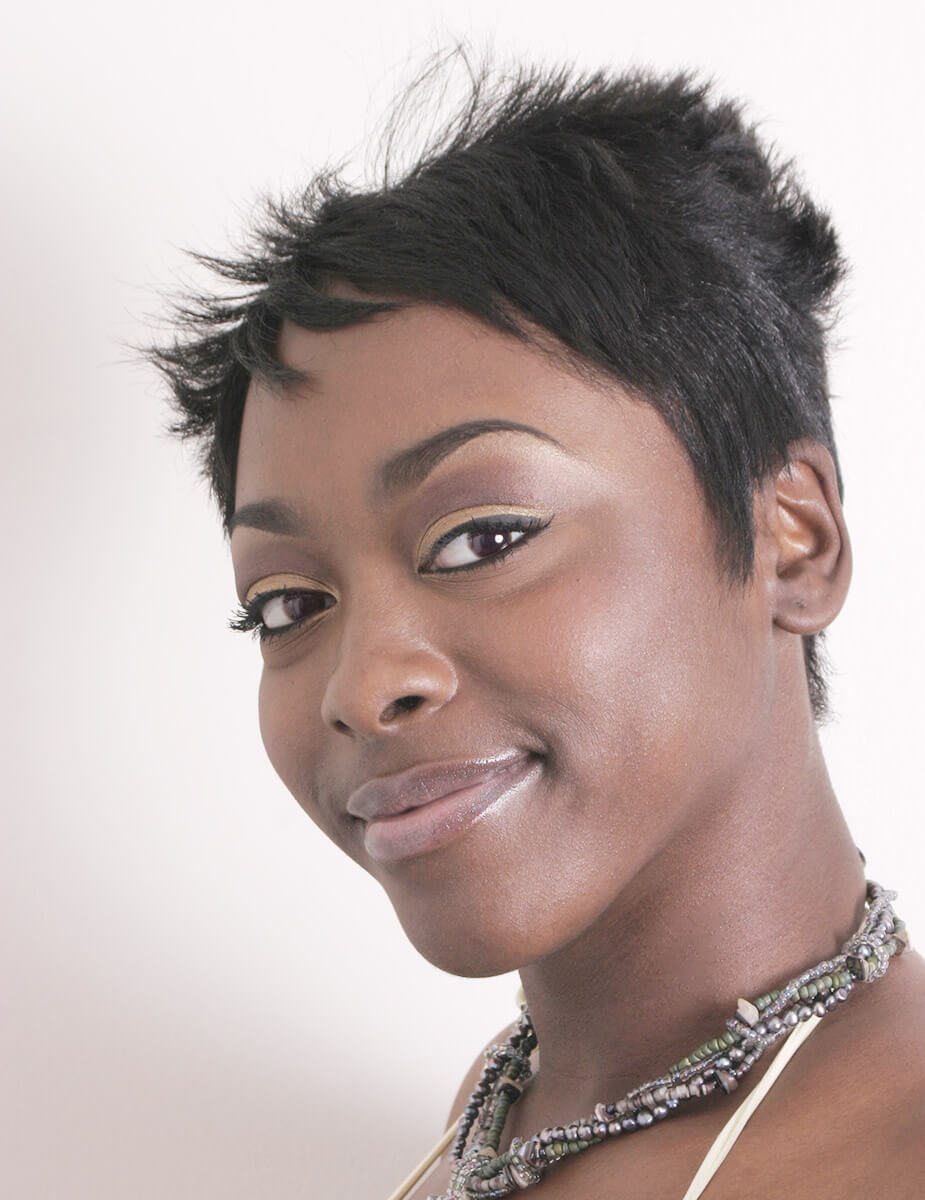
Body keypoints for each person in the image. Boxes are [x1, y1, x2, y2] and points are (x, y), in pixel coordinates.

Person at [149, 59, 925, 1198]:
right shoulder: (497, 1119)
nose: (363, 685)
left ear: (791, 540)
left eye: (482, 538)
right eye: (290, 606)